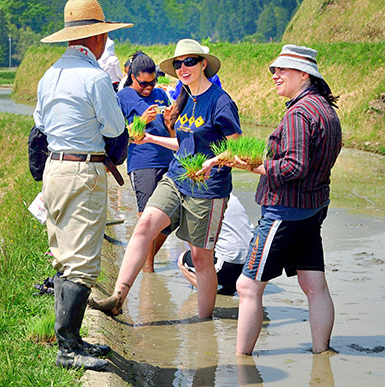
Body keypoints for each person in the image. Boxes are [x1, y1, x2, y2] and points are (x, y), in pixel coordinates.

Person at [201, 44, 342, 355]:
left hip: (284, 211)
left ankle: (241, 363)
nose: (275, 75)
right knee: (313, 284)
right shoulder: (325, 110)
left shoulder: (299, 113)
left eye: (282, 69)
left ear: (303, 74)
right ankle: (322, 353)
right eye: (274, 70)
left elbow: (293, 166)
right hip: (312, 209)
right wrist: (239, 157)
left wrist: (249, 166)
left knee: (247, 286)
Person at [90, 39, 241, 319]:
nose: (183, 68)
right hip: (176, 177)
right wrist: (149, 137)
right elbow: (182, 143)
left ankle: (204, 322)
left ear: (203, 64)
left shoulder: (220, 101)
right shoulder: (184, 97)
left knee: (200, 257)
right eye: (179, 64)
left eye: (190, 62)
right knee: (144, 224)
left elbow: (238, 147)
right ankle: (118, 296)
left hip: (208, 187)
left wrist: (210, 162)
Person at [34, 0, 132, 371]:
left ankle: (73, 339)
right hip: (82, 172)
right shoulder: (94, 78)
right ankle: (67, 348)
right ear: (98, 37)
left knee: (64, 253)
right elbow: (114, 130)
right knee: (82, 263)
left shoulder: (49, 74)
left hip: (55, 169)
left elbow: (40, 125)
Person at [116, 52, 173, 272]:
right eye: (144, 83)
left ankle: (144, 264)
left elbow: (171, 131)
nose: (149, 87)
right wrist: (141, 121)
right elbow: (118, 135)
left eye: (153, 82)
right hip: (142, 162)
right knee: (148, 218)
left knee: (170, 218)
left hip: (168, 159)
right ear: (131, 76)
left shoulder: (161, 94)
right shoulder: (122, 98)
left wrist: (169, 122)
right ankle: (148, 271)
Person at [178, 194, 253, 295]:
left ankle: (210, 293)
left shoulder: (200, 199)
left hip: (227, 265)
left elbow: (195, 243)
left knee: (182, 259)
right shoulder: (231, 196)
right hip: (251, 263)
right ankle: (229, 288)